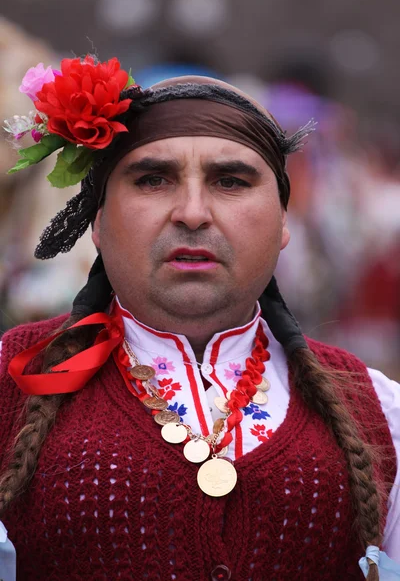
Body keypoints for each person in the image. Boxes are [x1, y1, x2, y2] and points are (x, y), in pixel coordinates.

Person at [0, 55, 399, 581]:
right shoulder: (12, 379)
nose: (192, 211)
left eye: (230, 181)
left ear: (283, 220)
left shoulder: (379, 411)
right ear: (96, 222)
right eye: (153, 180)